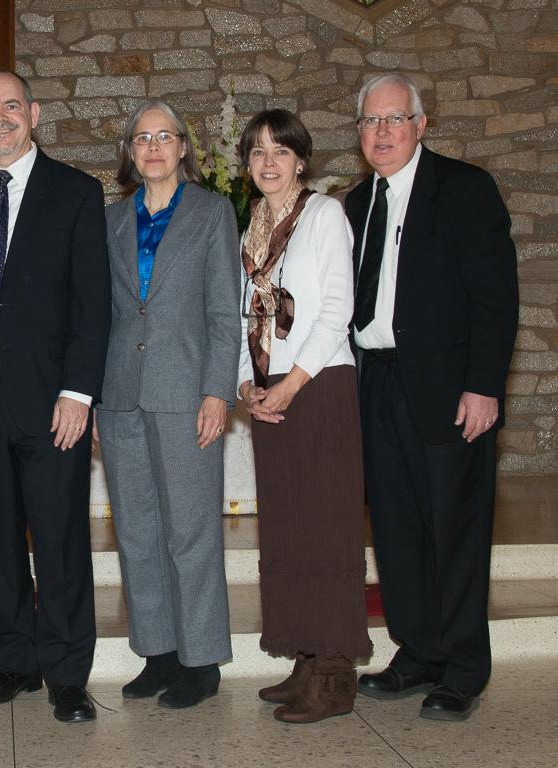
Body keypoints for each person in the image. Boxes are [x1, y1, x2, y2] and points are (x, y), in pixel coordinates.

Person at [0, 69, 111, 724]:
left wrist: (78, 392)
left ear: (33, 113)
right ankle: (12, 661)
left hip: (48, 396)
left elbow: (91, 305)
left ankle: (67, 673)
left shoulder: (74, 192)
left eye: (10, 105)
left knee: (61, 534)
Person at [348, 73, 518, 722]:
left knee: (456, 532)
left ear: (421, 125)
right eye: (370, 121)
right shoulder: (354, 202)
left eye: (394, 119)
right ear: (358, 133)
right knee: (395, 532)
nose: (382, 132)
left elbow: (494, 300)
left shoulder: (464, 190)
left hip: (449, 393)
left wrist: (483, 386)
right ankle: (415, 652)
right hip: (376, 386)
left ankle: (462, 667)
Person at [95, 100, 240, 710]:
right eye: (141, 137)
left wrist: (217, 392)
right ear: (131, 152)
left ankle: (200, 659)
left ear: (184, 148)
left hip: (186, 392)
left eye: (165, 136)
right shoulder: (111, 220)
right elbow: (102, 310)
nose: (152, 146)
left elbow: (223, 311)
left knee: (191, 530)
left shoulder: (212, 213)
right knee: (136, 531)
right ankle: (157, 653)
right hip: (121, 391)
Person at [235, 109, 372, 723]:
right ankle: (304, 657)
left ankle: (335, 673)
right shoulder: (252, 228)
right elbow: (248, 317)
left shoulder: (323, 215)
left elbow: (336, 309)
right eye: (258, 152)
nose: (269, 161)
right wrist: (247, 382)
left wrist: (289, 385)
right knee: (289, 529)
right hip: (271, 395)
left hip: (319, 388)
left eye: (280, 151)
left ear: (301, 160)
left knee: (328, 529)